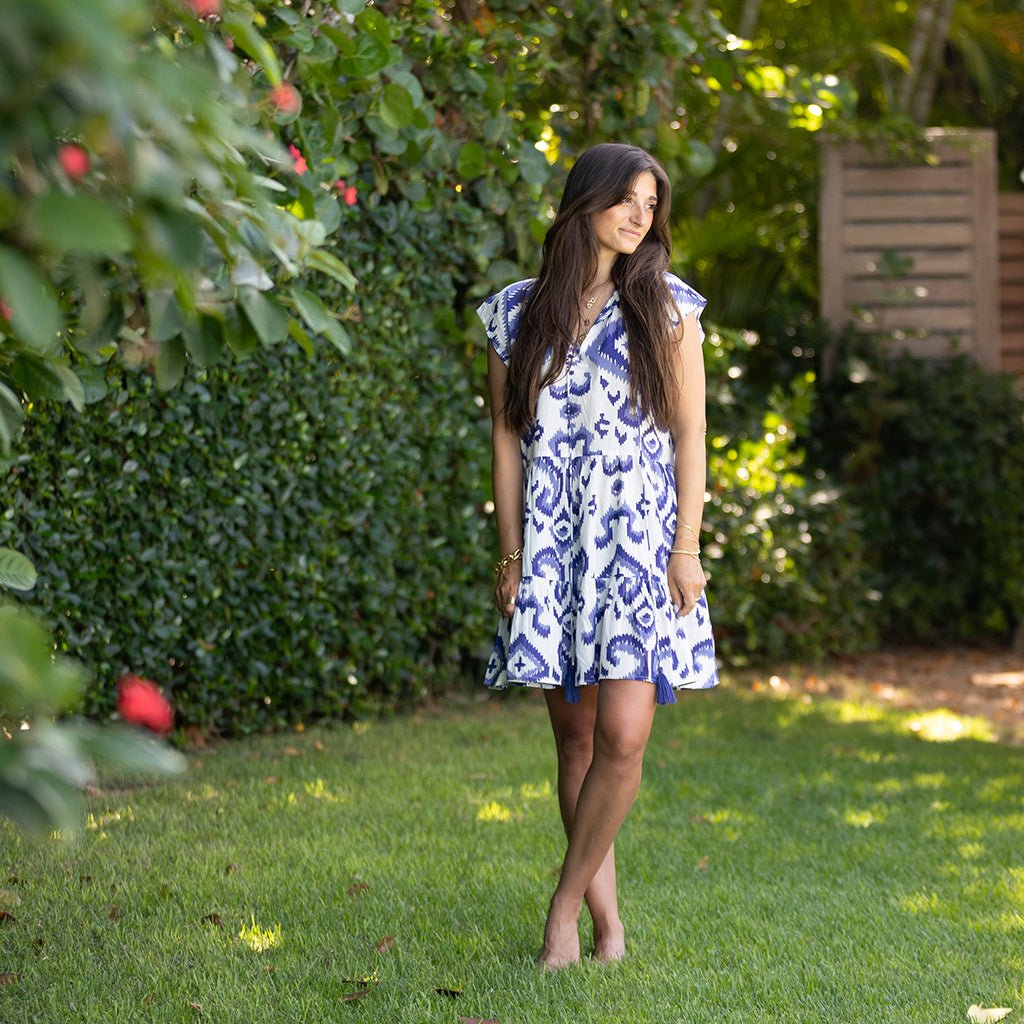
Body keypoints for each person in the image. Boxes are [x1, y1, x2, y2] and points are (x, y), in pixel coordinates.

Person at [477, 142, 719, 969]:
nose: (639, 216)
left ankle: (560, 911)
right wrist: (510, 559)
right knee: (574, 745)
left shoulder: (668, 308)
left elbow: (691, 437)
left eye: (651, 206)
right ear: (587, 200)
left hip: (642, 544)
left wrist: (686, 548)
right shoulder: (514, 312)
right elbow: (507, 441)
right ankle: (606, 928)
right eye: (627, 199)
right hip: (553, 546)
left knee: (622, 735)